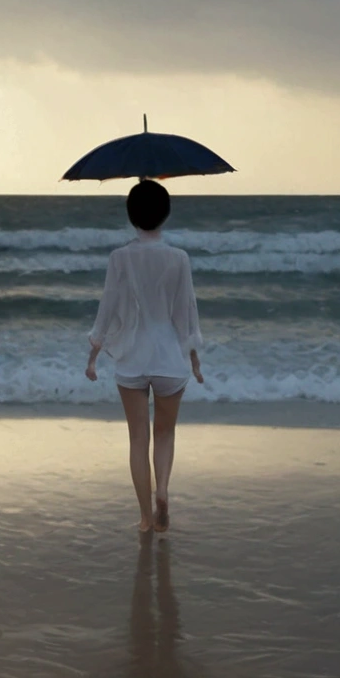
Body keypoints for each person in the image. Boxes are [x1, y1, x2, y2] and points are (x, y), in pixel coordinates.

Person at [85, 178, 205, 533]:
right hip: (169, 357)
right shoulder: (179, 258)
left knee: (138, 437)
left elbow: (107, 309)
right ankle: (163, 490)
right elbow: (187, 311)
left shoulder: (119, 257)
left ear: (131, 216)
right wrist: (194, 358)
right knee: (165, 434)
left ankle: (144, 517)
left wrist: (93, 354)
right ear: (165, 215)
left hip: (132, 359)